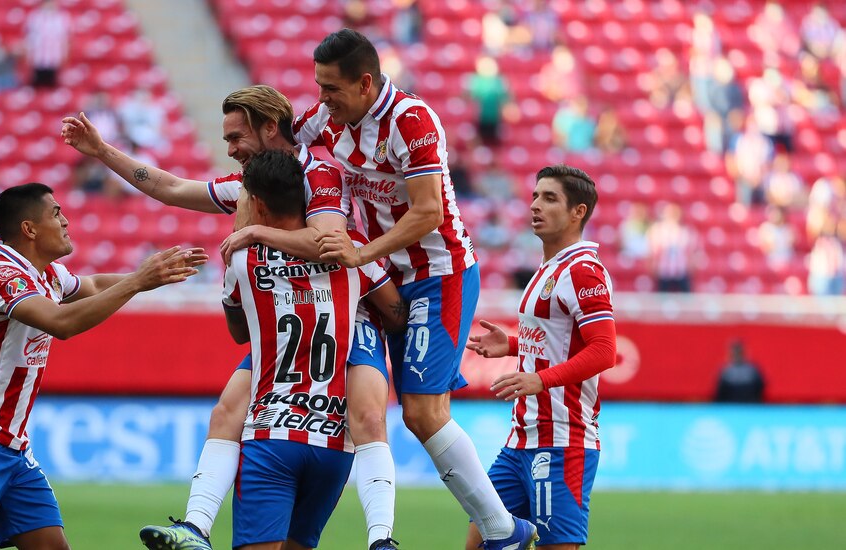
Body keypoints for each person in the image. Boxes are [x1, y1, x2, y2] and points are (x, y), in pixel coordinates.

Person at [64, 84, 404, 549]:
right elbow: (169, 188)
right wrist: (102, 150)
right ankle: (196, 525)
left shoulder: (318, 171)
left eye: (236, 137)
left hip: (351, 307)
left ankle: (381, 537)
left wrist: (252, 232)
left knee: (367, 415)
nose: (230, 150)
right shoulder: (253, 183)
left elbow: (327, 241)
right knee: (227, 409)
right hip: (290, 315)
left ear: (269, 127)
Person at [294, 28, 536, 549]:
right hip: (383, 278)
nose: (321, 100)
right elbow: (276, 148)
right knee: (392, 410)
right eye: (318, 87)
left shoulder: (412, 119)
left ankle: (504, 531)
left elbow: (428, 212)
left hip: (437, 270)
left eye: (331, 89)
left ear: (364, 84)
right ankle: (501, 531)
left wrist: (362, 253)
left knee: (424, 411)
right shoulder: (324, 119)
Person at [0, 182, 207, 550]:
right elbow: (62, 323)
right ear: (29, 229)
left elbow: (91, 285)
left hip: (13, 447)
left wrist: (153, 277)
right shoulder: (2, 276)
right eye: (56, 213)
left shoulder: (45, 273)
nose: (66, 221)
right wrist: (138, 281)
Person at [214, 150, 404, 550]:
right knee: (372, 422)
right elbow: (395, 312)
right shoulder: (349, 251)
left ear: (258, 204)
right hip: (334, 443)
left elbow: (238, 332)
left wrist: (247, 235)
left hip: (272, 433)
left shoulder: (243, 259)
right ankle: (382, 537)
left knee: (225, 413)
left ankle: (196, 523)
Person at [465, 164, 615, 549]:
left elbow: (604, 350)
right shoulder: (548, 268)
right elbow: (560, 341)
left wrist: (539, 380)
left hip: (563, 441)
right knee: (479, 541)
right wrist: (514, 345)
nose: (535, 205)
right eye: (534, 196)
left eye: (549, 198)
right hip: (520, 439)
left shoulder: (583, 270)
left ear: (577, 212)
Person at [25, 0, 70, 88]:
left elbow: (64, 36)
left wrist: (65, 52)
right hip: (38, 52)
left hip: (54, 52)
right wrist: (28, 51)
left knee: (51, 79)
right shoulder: (35, 17)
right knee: (37, 79)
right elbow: (30, 35)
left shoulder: (61, 17)